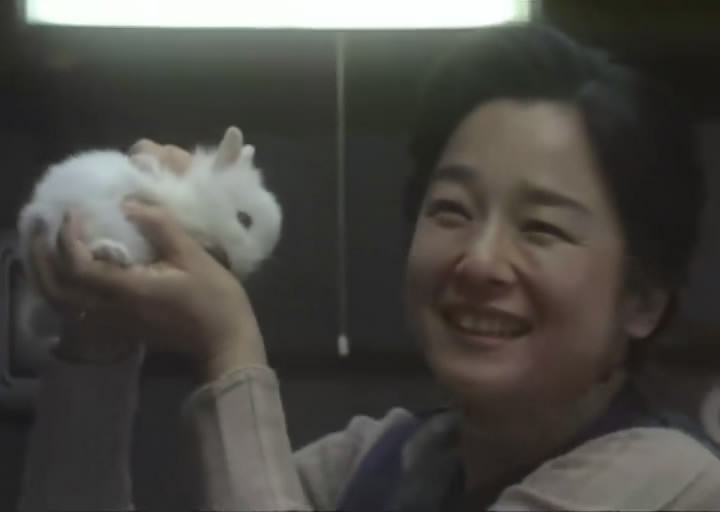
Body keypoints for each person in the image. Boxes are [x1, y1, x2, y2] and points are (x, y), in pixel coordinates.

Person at [17, 23, 720, 511]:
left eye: (541, 227)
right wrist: (100, 341)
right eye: (452, 209)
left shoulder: (672, 483)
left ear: (643, 299)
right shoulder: (377, 464)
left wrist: (231, 349)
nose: (480, 260)